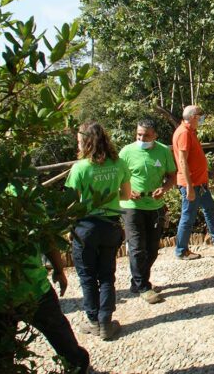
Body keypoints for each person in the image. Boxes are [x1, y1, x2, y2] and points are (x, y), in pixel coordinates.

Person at [0, 189, 90, 372]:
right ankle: (76, 366)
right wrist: (58, 270)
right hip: (31, 288)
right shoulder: (23, 195)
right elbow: (47, 238)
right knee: (62, 340)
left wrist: (59, 270)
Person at [66, 121, 131, 341]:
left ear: (85, 141)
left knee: (87, 276)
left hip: (85, 228)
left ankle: (93, 321)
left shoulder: (80, 168)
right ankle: (105, 322)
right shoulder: (118, 164)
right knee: (106, 275)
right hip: (111, 225)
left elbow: (69, 202)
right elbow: (125, 195)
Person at [119, 118, 177, 304]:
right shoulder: (126, 152)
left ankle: (137, 282)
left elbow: (172, 175)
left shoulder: (162, 150)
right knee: (136, 248)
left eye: (146, 135)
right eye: (139, 134)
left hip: (155, 205)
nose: (142, 138)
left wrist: (165, 188)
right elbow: (118, 176)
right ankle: (143, 286)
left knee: (152, 249)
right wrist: (127, 191)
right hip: (131, 207)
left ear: (155, 135)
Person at [173, 105, 214, 261]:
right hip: (192, 184)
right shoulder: (183, 133)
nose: (203, 118)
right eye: (201, 115)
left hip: (199, 183)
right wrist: (189, 186)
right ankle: (181, 250)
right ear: (194, 116)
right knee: (188, 216)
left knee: (209, 207)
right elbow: (182, 161)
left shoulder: (190, 131)